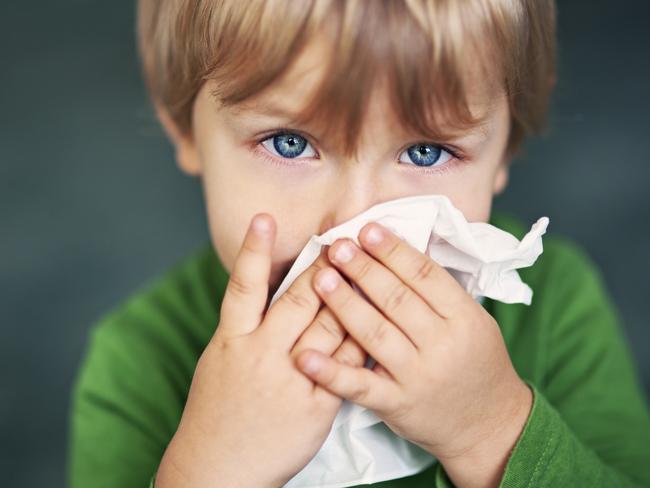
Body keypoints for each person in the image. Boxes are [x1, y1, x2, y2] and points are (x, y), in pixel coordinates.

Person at [67, 1, 650, 487]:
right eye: (290, 144)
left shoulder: (555, 305)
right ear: (185, 130)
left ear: (506, 152)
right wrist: (213, 468)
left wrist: (490, 430)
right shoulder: (139, 356)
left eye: (426, 152)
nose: (355, 225)